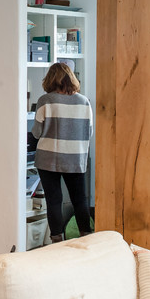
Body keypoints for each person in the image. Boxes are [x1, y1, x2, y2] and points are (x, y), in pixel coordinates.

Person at [31, 62, 94, 243]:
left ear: (50, 79)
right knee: (79, 200)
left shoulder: (45, 100)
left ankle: (57, 242)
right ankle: (86, 239)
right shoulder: (84, 101)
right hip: (75, 158)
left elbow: (36, 132)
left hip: (48, 158)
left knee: (54, 200)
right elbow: (88, 132)